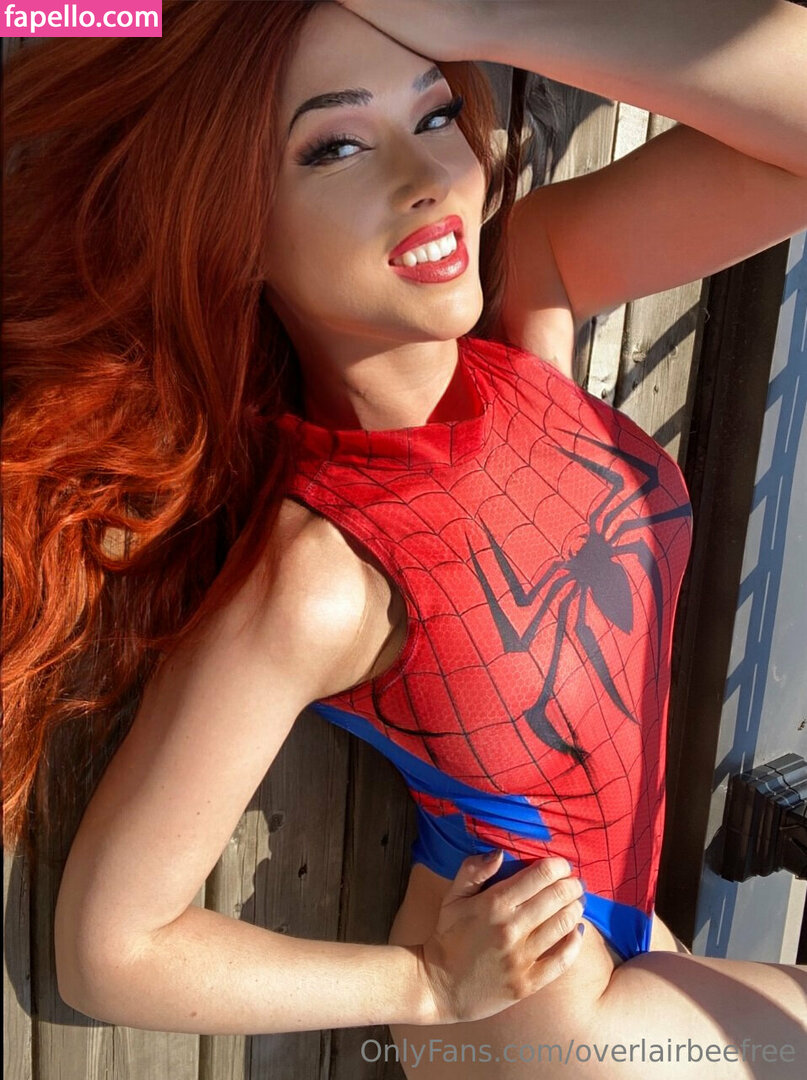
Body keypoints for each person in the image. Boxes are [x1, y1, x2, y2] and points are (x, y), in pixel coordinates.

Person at [3, 1, 806, 1076]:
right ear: (235, 230)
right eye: (335, 146)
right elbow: (110, 949)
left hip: (630, 946)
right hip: (539, 1025)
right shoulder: (325, 574)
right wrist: (422, 985)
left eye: (434, 116)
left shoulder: (528, 299)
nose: (425, 176)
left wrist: (484, 15)